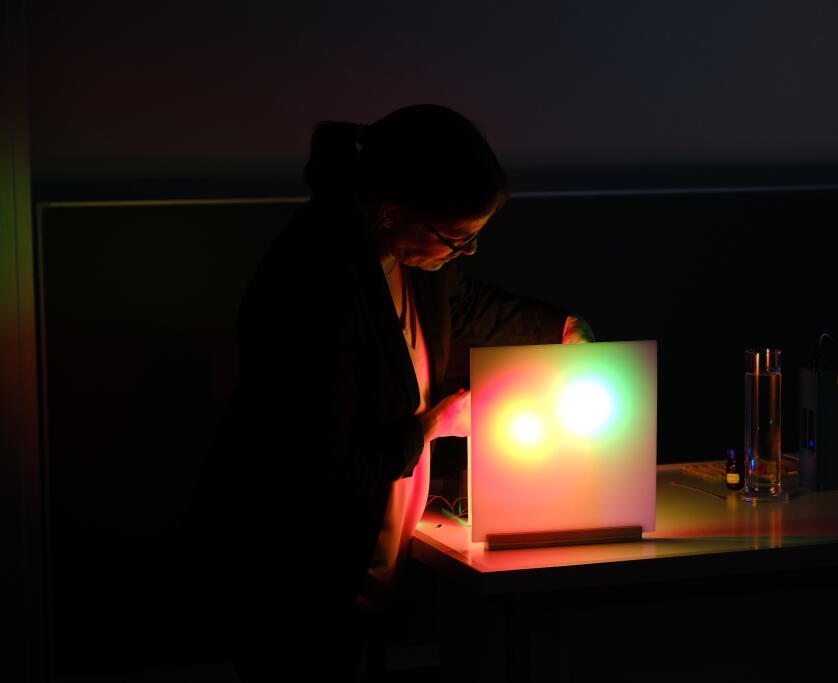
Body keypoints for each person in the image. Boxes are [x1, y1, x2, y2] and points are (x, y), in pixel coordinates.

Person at [187, 104, 593, 681]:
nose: (465, 252)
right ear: (391, 211)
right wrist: (433, 426)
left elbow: (462, 302)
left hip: (354, 565)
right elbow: (320, 468)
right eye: (457, 239)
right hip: (289, 565)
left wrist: (562, 327)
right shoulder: (315, 284)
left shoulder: (409, 258)